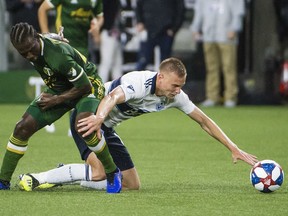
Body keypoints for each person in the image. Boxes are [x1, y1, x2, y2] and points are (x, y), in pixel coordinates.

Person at [18, 57, 258, 191]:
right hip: (88, 118)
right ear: (161, 77)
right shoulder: (139, 81)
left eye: (181, 87)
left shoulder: (174, 97)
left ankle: (72, 174)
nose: (178, 91)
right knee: (102, 172)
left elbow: (204, 121)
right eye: (175, 85)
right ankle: (41, 177)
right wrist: (99, 119)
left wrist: (233, 147)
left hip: (106, 128)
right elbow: (112, 97)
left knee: (132, 185)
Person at [0, 22, 122, 193]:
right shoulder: (34, 43)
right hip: (60, 88)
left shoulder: (58, 55)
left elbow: (84, 86)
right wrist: (55, 36)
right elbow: (46, 37)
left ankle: (112, 172)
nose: (29, 55)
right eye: (23, 53)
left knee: (84, 126)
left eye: (30, 49)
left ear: (36, 38)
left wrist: (56, 100)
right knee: (22, 127)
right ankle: (3, 181)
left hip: (89, 85)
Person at [190, 0, 245, 108]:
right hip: (209, 35)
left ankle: (230, 97)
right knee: (211, 68)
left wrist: (234, 28)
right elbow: (199, 12)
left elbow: (238, 12)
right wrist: (195, 28)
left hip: (226, 35)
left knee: (229, 67)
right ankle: (212, 96)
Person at [38, 0, 103, 58]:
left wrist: (97, 25)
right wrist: (45, 34)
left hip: (83, 44)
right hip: (63, 42)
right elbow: (42, 9)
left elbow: (100, 16)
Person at [135, 0, 185, 70]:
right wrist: (140, 21)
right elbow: (138, 6)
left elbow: (180, 10)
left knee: (165, 64)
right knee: (143, 60)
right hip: (148, 30)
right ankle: (136, 80)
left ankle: (163, 81)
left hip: (166, 31)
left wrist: (174, 29)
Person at [98, 0, 123, 83]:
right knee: (106, 62)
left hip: (116, 35)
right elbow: (102, 16)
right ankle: (100, 87)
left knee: (117, 63)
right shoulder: (107, 2)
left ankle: (119, 87)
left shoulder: (116, 2)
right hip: (108, 33)